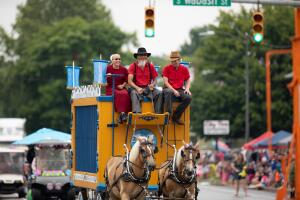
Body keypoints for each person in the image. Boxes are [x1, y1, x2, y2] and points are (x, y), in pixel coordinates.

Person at [128, 47, 163, 113]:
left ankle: (157, 114)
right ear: (137, 57)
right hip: (136, 88)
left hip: (148, 88)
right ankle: (137, 114)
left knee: (159, 93)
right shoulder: (133, 66)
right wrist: (137, 88)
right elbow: (129, 81)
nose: (143, 57)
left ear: (146, 57)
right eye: (141, 55)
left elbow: (155, 80)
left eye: (144, 55)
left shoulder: (150, 66)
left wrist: (152, 85)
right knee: (133, 93)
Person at [162, 51, 191, 125]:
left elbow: (188, 79)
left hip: (180, 89)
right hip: (168, 88)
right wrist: (174, 90)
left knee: (188, 98)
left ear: (179, 60)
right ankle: (168, 115)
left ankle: (176, 117)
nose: (173, 62)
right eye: (172, 61)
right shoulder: (166, 68)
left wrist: (187, 89)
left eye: (175, 61)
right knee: (169, 92)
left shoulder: (184, 69)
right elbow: (166, 82)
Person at [106, 54, 131, 123]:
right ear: (112, 60)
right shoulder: (108, 68)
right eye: (116, 59)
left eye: (119, 59)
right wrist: (107, 77)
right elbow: (103, 79)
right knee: (117, 93)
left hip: (121, 87)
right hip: (110, 87)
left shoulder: (124, 69)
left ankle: (124, 114)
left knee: (125, 93)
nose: (118, 60)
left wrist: (123, 85)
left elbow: (127, 79)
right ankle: (122, 113)